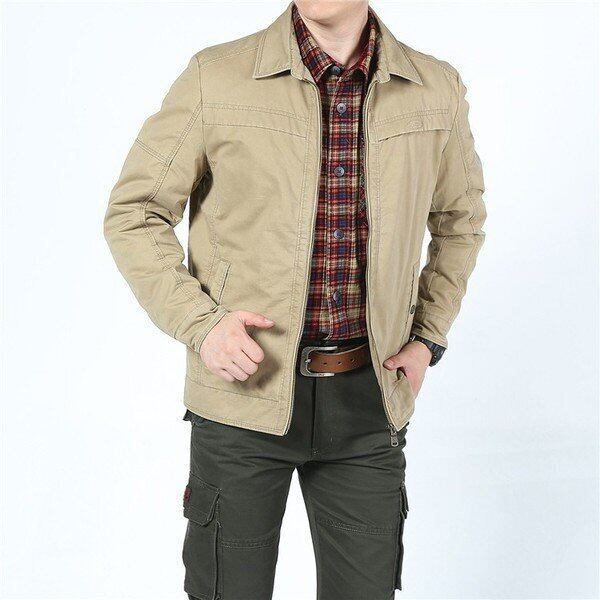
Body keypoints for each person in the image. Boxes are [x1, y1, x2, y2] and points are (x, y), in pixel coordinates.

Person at [104, 1, 485, 598]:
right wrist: (203, 325)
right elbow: (135, 213)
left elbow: (461, 222)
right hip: (243, 399)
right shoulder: (216, 76)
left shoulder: (436, 88)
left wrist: (426, 338)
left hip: (370, 403)